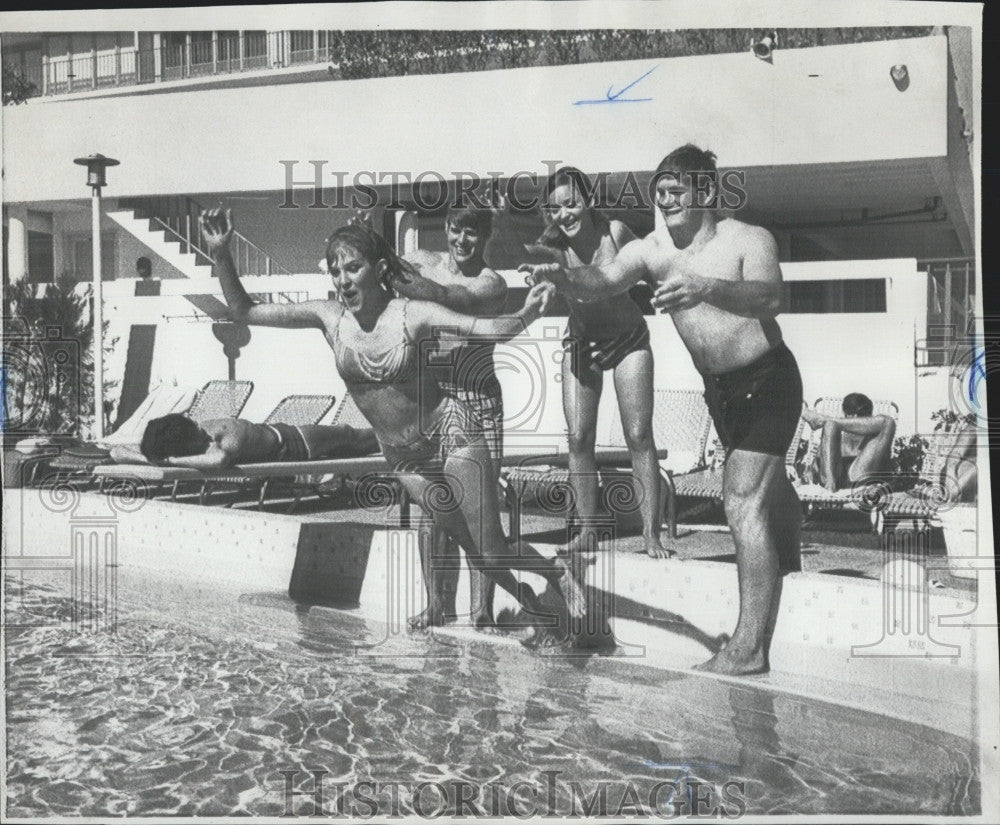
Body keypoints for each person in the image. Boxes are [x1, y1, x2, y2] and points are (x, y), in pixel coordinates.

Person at [200, 207, 584, 643]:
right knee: (474, 548)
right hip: (405, 459)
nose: (343, 280)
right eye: (336, 271)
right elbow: (243, 310)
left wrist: (530, 314)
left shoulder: (411, 314)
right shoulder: (330, 318)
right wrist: (221, 253)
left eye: (353, 268)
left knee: (490, 546)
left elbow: (485, 330)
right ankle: (533, 606)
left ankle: (554, 571)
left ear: (377, 270)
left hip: (451, 435)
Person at [521, 145, 802, 675]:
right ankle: (790, 557)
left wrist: (706, 286)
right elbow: (603, 279)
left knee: (740, 502)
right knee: (768, 491)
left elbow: (770, 299)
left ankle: (747, 649)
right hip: (720, 392)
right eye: (661, 192)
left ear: (706, 193)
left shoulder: (749, 239)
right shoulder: (653, 250)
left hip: (769, 382)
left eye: (677, 191)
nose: (666, 200)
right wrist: (561, 276)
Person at [531, 166, 670, 560]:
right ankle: (588, 530)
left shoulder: (616, 233)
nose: (564, 215)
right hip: (583, 344)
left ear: (587, 201)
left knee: (639, 435)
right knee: (578, 438)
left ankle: (651, 535)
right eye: (556, 209)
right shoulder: (552, 248)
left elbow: (653, 274)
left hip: (629, 341)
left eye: (571, 203)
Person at [390, 203, 507, 630]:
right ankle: (435, 604)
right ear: (446, 228)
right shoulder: (423, 262)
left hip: (477, 400)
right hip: (435, 402)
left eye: (473, 233)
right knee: (431, 509)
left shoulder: (492, 284)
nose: (462, 241)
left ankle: (483, 611)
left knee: (480, 514)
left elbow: (444, 298)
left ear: (486, 236)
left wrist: (391, 266)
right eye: (457, 231)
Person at [109, 413, 379, 469]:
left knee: (357, 440)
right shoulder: (193, 439)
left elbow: (219, 460)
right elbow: (117, 453)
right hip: (285, 441)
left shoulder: (225, 434)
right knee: (356, 442)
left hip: (300, 440)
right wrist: (154, 458)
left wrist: (169, 461)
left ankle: (407, 438)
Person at [801, 393, 895, 492]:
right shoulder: (833, 437)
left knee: (888, 422)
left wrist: (827, 420)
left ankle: (822, 419)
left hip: (859, 477)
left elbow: (887, 422)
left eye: (862, 415)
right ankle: (829, 488)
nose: (855, 417)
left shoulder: (875, 438)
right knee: (830, 426)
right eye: (852, 413)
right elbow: (814, 469)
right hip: (831, 481)